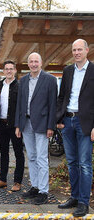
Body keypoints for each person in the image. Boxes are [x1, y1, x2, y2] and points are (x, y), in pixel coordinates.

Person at [56, 39, 94, 217]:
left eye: (80, 49)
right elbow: (62, 96)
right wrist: (59, 119)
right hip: (68, 122)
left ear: (87, 50)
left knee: (84, 164)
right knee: (71, 162)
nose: (77, 52)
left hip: (85, 123)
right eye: (74, 50)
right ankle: (74, 197)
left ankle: (83, 203)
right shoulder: (68, 70)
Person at [15, 52, 57, 205]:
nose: (33, 64)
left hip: (42, 124)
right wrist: (18, 125)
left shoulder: (50, 80)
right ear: (28, 64)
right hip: (26, 124)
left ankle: (44, 191)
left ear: (41, 63)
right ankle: (35, 186)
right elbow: (20, 104)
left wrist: (51, 126)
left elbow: (53, 104)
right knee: (31, 156)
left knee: (41, 158)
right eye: (31, 61)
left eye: (36, 61)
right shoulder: (23, 80)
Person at [0, 60, 25, 191]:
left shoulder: (20, 86)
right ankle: (2, 180)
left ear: (15, 70)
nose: (9, 71)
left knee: (18, 153)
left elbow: (22, 108)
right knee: (3, 153)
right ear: (3, 71)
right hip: (2, 125)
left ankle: (17, 182)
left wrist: (19, 126)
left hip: (14, 126)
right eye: (6, 69)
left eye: (11, 68)